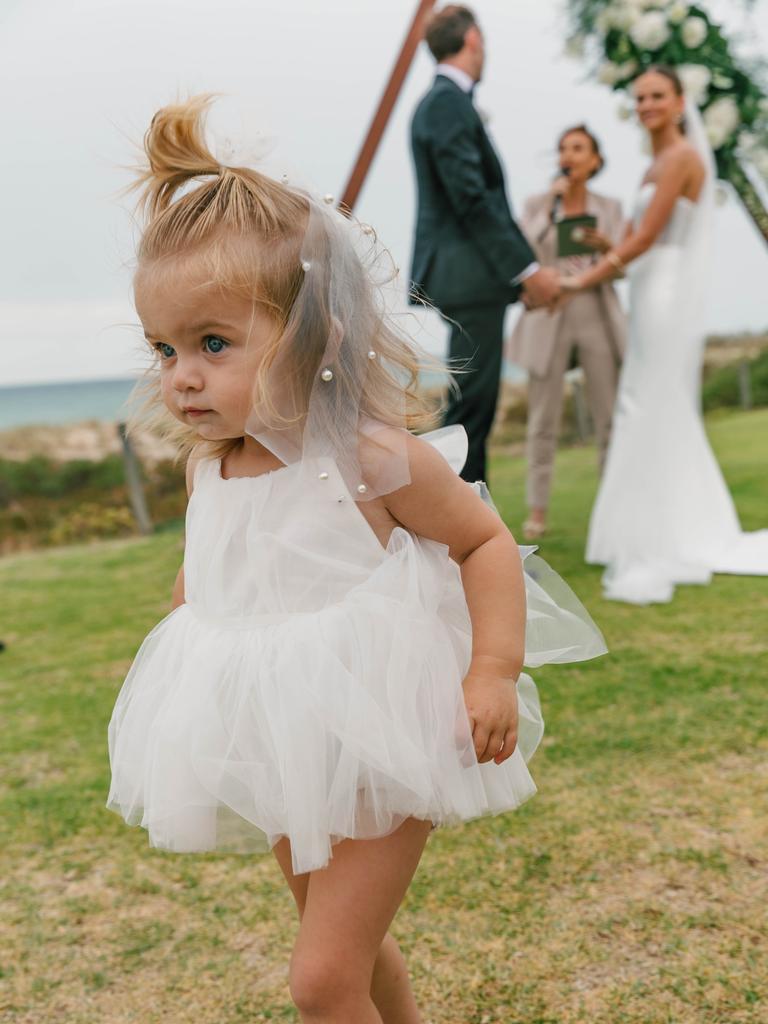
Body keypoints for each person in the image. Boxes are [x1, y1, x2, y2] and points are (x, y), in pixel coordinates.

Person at [105, 96, 606, 1023]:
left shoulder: (371, 460)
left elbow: (482, 541)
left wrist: (492, 669)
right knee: (355, 954)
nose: (180, 374)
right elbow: (207, 581)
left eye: (213, 344)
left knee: (320, 979)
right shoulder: (209, 468)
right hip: (282, 745)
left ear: (315, 337)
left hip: (383, 732)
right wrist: (193, 652)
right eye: (165, 347)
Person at [559, 66, 768, 604]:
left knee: (648, 400)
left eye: (657, 95)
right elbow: (631, 240)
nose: (647, 103)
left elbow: (650, 236)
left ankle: (661, 532)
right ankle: (658, 522)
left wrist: (583, 277)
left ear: (679, 103)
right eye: (640, 97)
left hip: (667, 289)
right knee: (647, 399)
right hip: (647, 285)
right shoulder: (655, 162)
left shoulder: (681, 159)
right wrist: (606, 245)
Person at [409, 4, 560, 484]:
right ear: (473, 39)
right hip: (469, 276)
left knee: (470, 407)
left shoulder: (445, 103)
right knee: (471, 411)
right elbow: (473, 199)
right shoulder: (447, 103)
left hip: (470, 274)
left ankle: (467, 520)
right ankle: (462, 527)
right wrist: (528, 271)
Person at [507, 124, 626, 541]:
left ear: (595, 159)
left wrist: (606, 242)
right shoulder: (539, 203)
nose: (569, 155)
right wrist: (553, 206)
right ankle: (537, 510)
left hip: (595, 311)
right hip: (549, 317)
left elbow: (623, 263)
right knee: (543, 419)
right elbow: (523, 250)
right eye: (563, 148)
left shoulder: (610, 206)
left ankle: (612, 508)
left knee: (608, 417)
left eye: (579, 148)